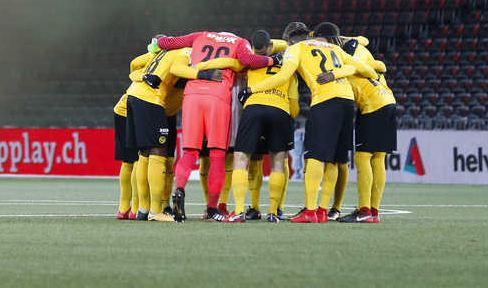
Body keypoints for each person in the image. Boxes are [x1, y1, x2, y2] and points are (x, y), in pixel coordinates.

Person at [246, 21, 376, 223]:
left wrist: (252, 90)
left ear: (289, 40)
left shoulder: (296, 49)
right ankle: (322, 211)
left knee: (314, 157)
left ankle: (309, 211)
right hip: (346, 100)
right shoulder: (333, 47)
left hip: (325, 100)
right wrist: (370, 74)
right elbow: (364, 69)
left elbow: (282, 76)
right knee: (333, 159)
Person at [154, 31, 278, 222]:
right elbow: (249, 61)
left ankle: (179, 189)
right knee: (218, 155)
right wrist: (274, 60)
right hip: (218, 96)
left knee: (189, 153)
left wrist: (159, 41)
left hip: (192, 95)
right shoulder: (239, 42)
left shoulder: (199, 36)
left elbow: (167, 43)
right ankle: (212, 209)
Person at [228, 30, 300, 223]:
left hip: (254, 109)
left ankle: (240, 211)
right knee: (278, 163)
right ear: (270, 47)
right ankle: (274, 212)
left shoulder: (250, 66)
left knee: (242, 159)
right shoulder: (289, 70)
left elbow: (229, 64)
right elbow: (294, 110)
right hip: (280, 111)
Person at [331, 27, 397, 223]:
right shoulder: (360, 53)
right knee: (378, 159)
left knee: (362, 158)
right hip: (388, 100)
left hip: (372, 106)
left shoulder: (342, 63)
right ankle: (373, 212)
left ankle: (364, 210)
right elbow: (361, 40)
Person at [126, 43, 188, 221]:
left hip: (134, 94)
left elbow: (135, 64)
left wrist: (144, 75)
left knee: (144, 154)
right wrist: (203, 74)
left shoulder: (162, 53)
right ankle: (155, 211)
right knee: (158, 152)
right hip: (151, 99)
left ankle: (143, 210)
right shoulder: (186, 52)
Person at [113, 49, 153, 219]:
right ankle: (136, 209)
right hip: (133, 110)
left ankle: (123, 209)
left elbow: (133, 64)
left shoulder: (144, 67)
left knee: (128, 160)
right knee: (139, 158)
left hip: (121, 108)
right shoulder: (162, 65)